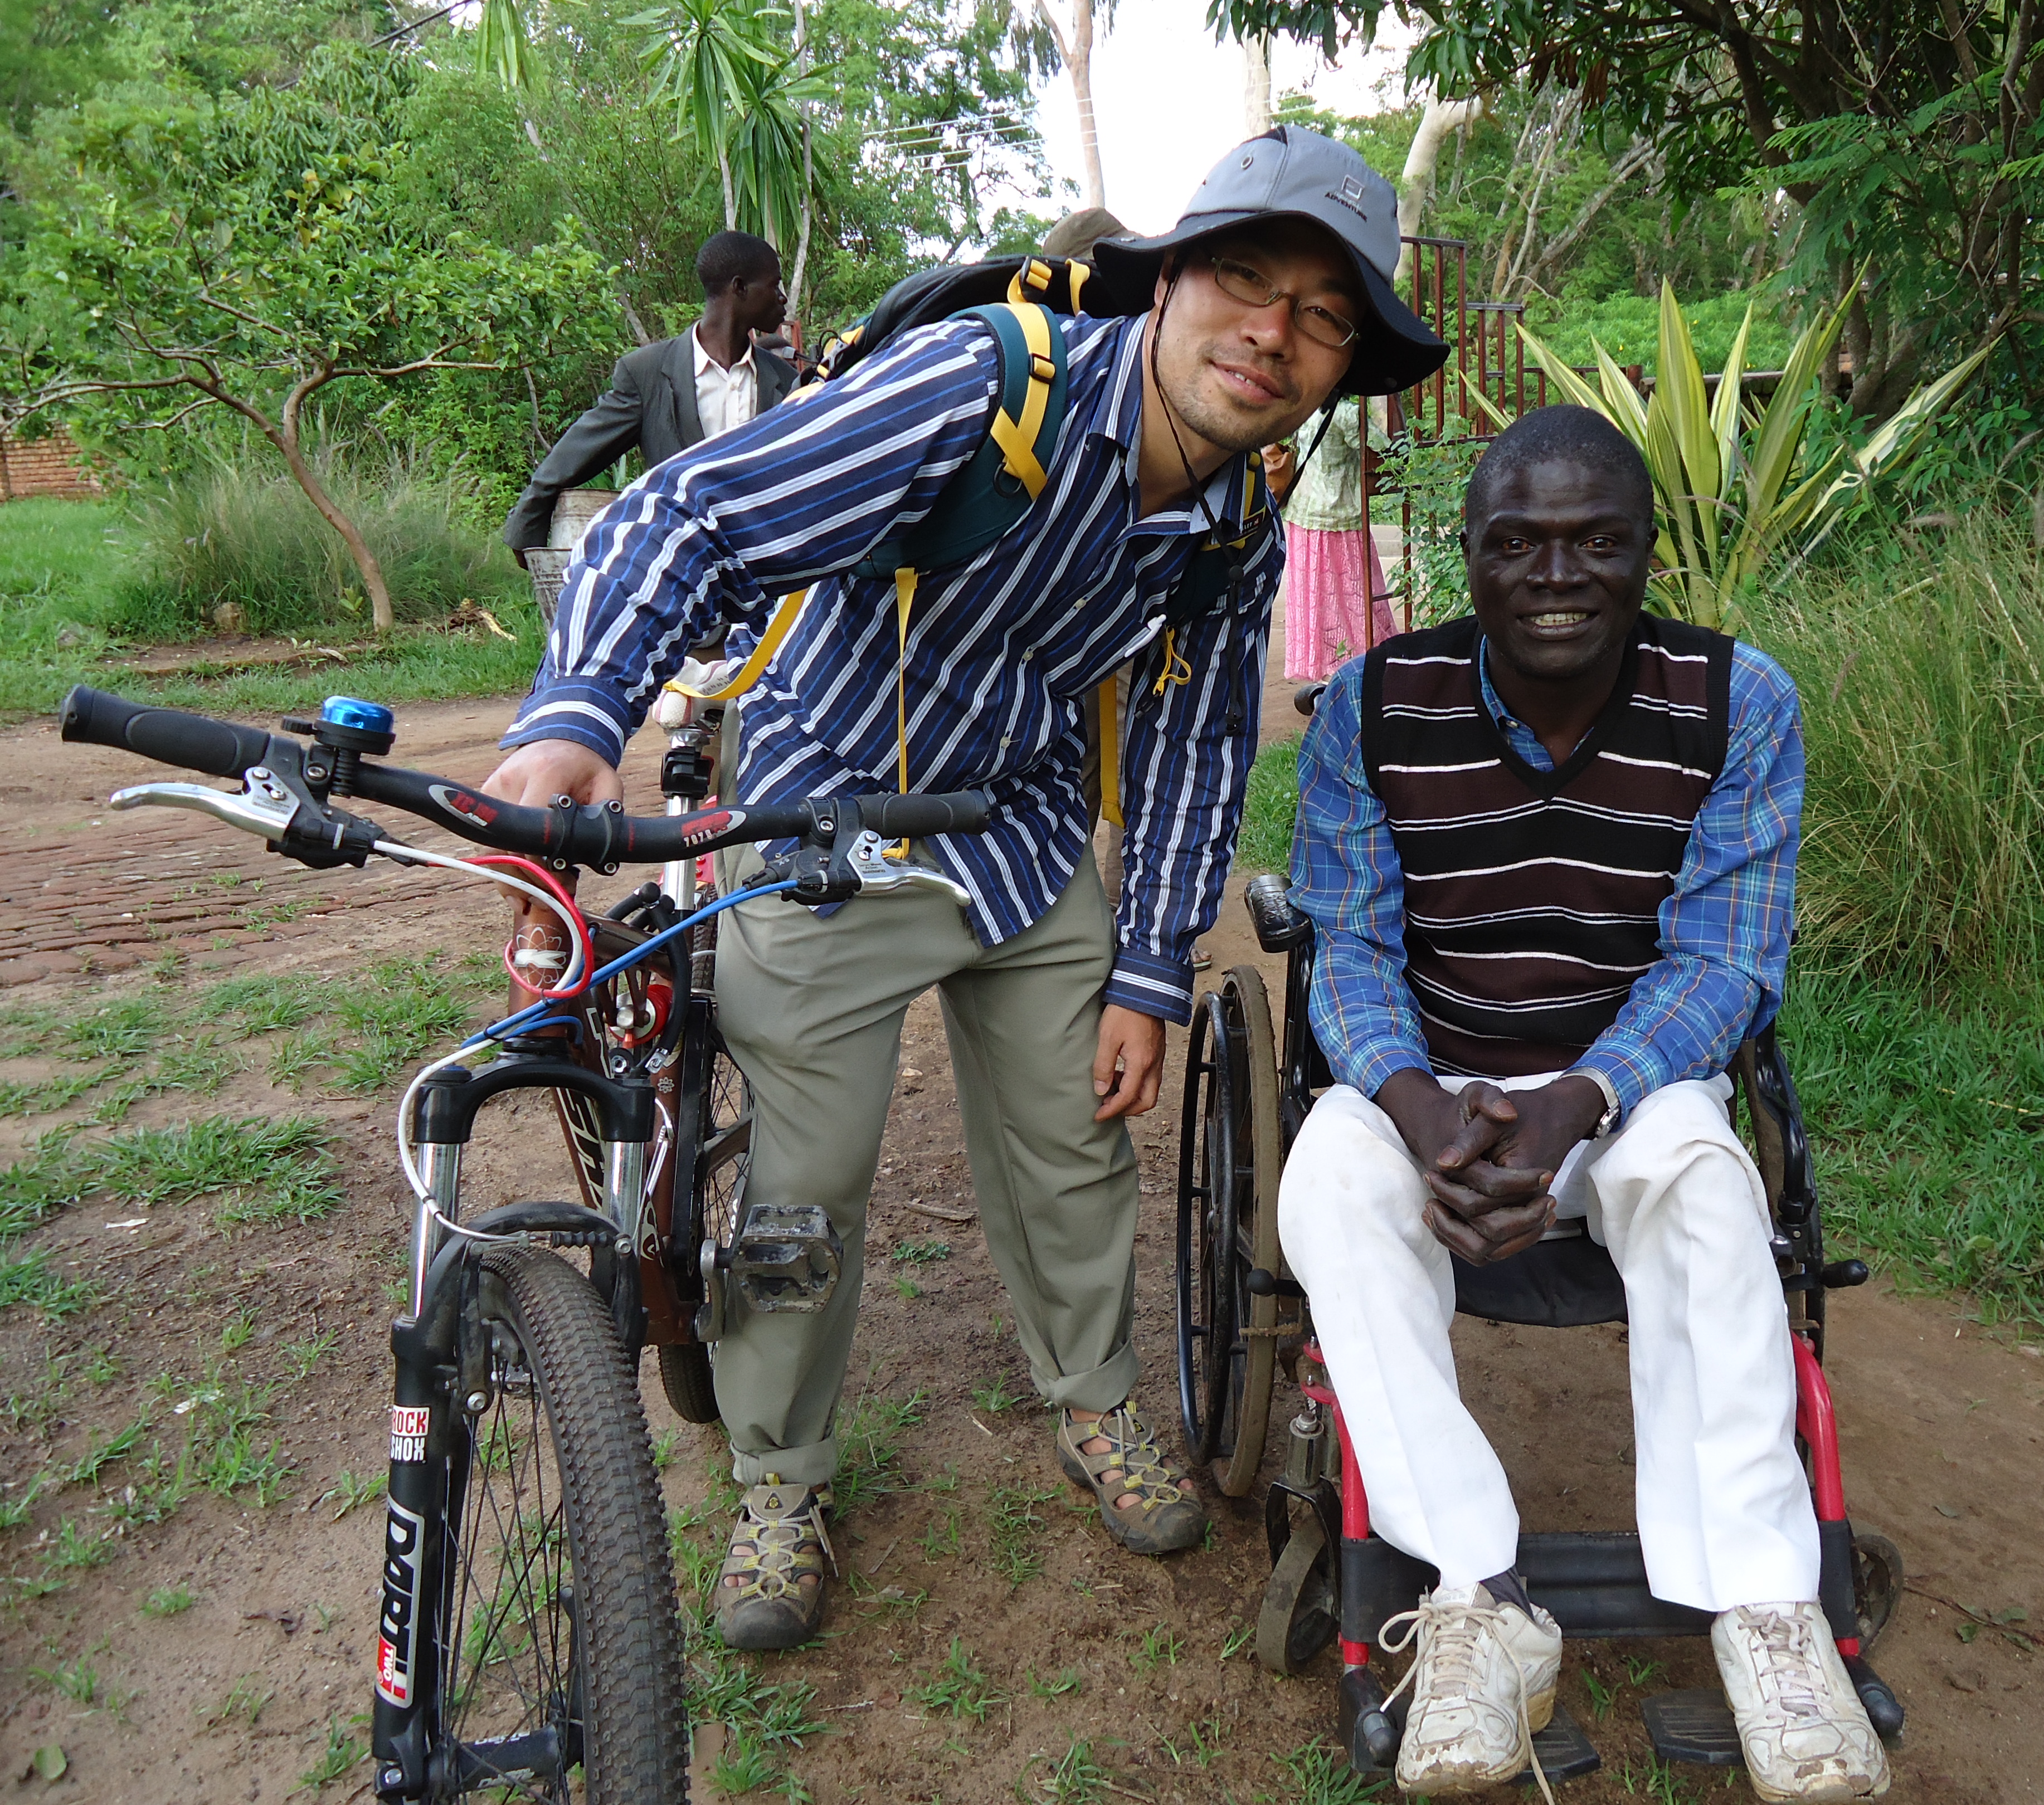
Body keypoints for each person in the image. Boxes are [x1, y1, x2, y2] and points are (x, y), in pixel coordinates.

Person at [479, 125, 1448, 1651]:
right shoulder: (984, 386)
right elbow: (699, 513)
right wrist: (577, 714)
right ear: (1167, 281)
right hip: (829, 809)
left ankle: (1095, 1399)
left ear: (1341, 366)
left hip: (1021, 826)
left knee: (1077, 1144)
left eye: (1323, 317)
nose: (1272, 333)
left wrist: (1150, 967)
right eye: (1246, 281)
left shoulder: (1241, 517)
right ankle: (780, 1476)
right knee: (805, 1178)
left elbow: (1196, 744)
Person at [1278, 406, 1889, 1801]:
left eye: (1596, 542)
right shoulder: (1373, 705)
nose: (1556, 575)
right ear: (1470, 557)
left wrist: (1581, 1099)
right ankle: (1476, 1597)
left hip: (1626, 1082)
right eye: (1518, 544)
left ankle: (1767, 1613)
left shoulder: (1737, 703)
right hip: (1431, 1075)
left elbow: (1723, 960)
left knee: (1704, 1176)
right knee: (1328, 1176)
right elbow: (1350, 946)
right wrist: (1420, 1108)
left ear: (1647, 553)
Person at [499, 231, 800, 558]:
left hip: (765, 568)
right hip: (679, 565)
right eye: (774, 285)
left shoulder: (787, 381)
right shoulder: (647, 374)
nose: (782, 298)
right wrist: (528, 524)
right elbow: (579, 451)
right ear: (739, 288)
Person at [1279, 395, 1395, 679]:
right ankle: (1361, 655)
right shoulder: (1347, 414)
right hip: (1341, 515)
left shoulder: (1304, 408)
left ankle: (1317, 662)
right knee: (1354, 589)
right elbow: (1383, 447)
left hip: (1303, 512)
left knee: (1313, 593)